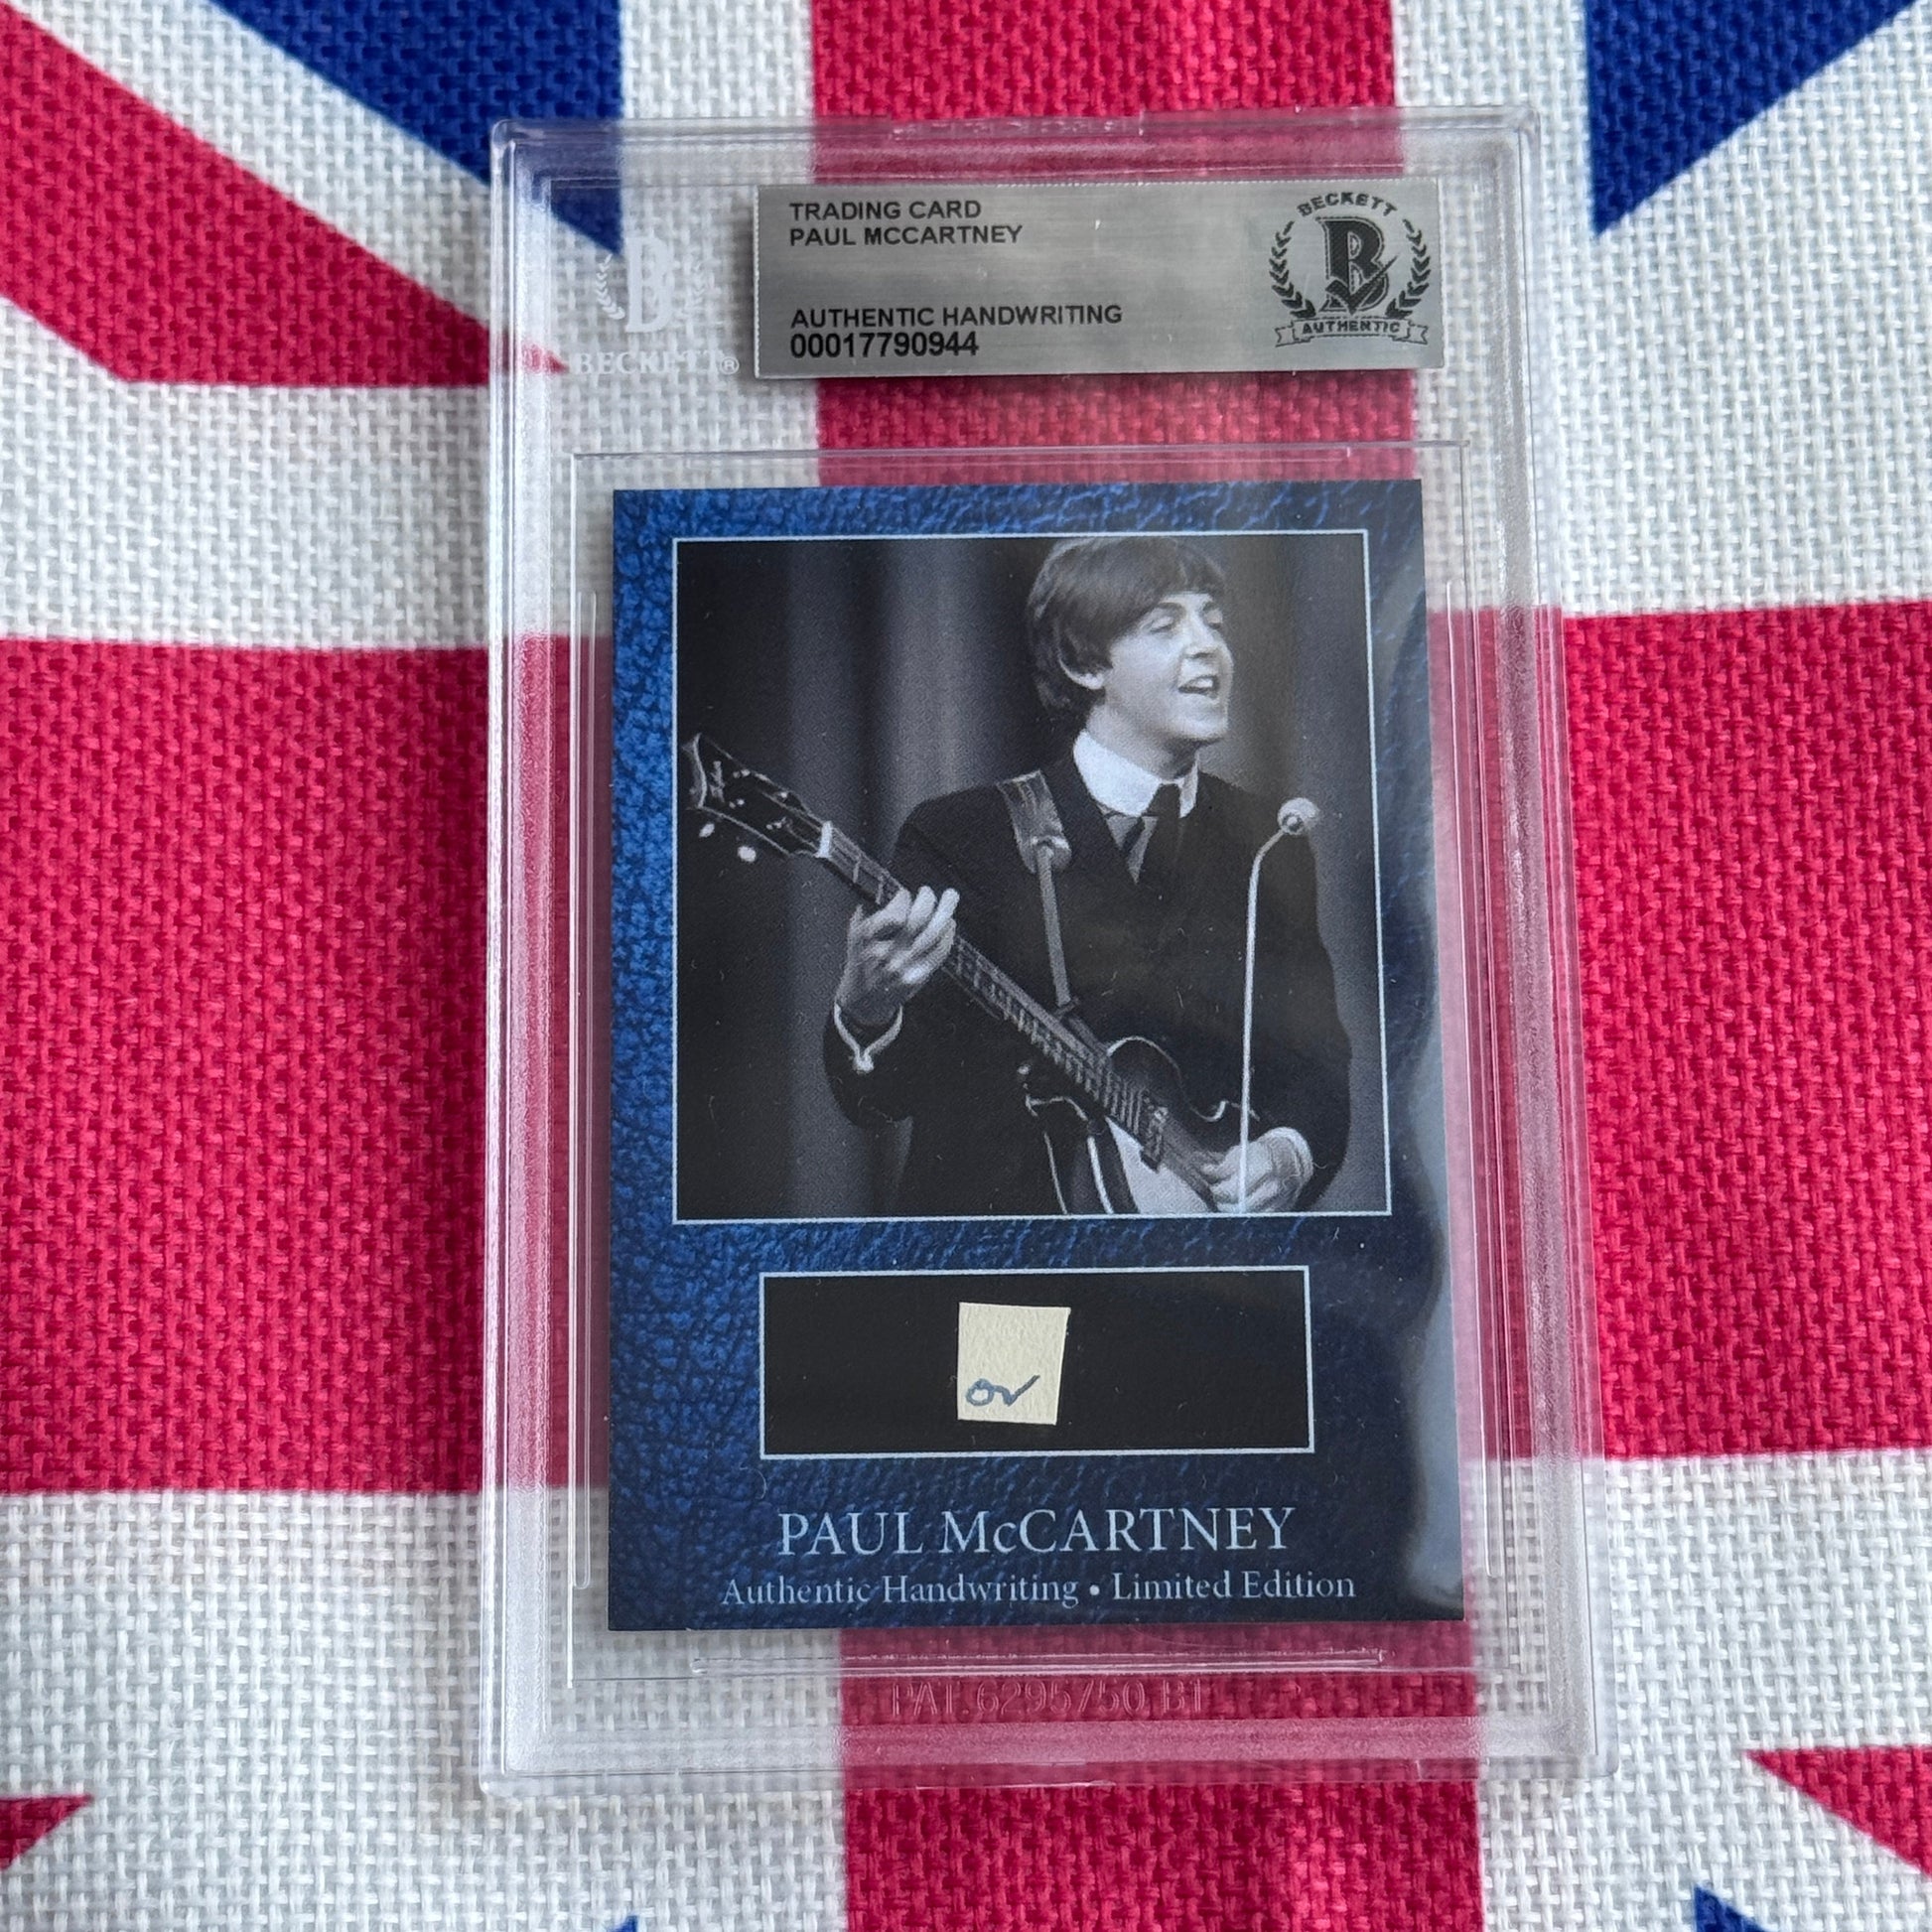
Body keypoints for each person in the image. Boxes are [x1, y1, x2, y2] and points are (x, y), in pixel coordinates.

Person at [823, 534, 1352, 1216]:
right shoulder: (960, 834)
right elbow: (880, 1099)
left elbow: (1318, 1069)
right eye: (1165, 626)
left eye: (1214, 624)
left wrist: (1286, 1154)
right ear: (1082, 663)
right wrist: (866, 1008)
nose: (1208, 648)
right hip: (1009, 1264)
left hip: (1192, 1268)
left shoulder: (1269, 842)